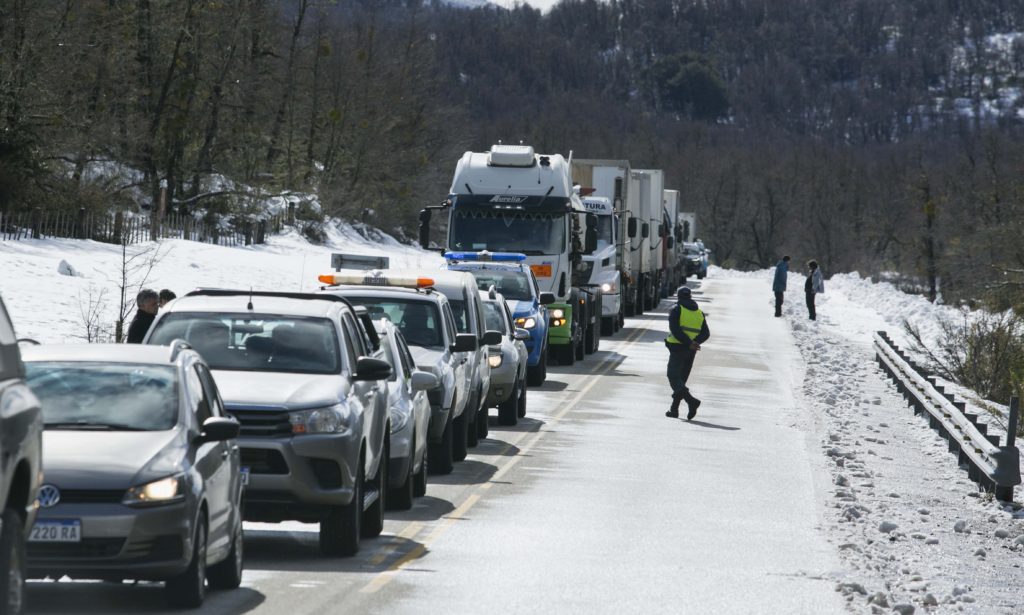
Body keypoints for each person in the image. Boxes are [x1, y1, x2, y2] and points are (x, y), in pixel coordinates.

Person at [665, 286, 710, 420]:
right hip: (690, 351)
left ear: (678, 296)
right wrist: (695, 342)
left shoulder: (676, 309)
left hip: (678, 348)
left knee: (673, 376)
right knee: (681, 380)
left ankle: (691, 401)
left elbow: (675, 330)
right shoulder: (699, 313)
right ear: (690, 296)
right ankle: (674, 410)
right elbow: (706, 333)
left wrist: (689, 343)